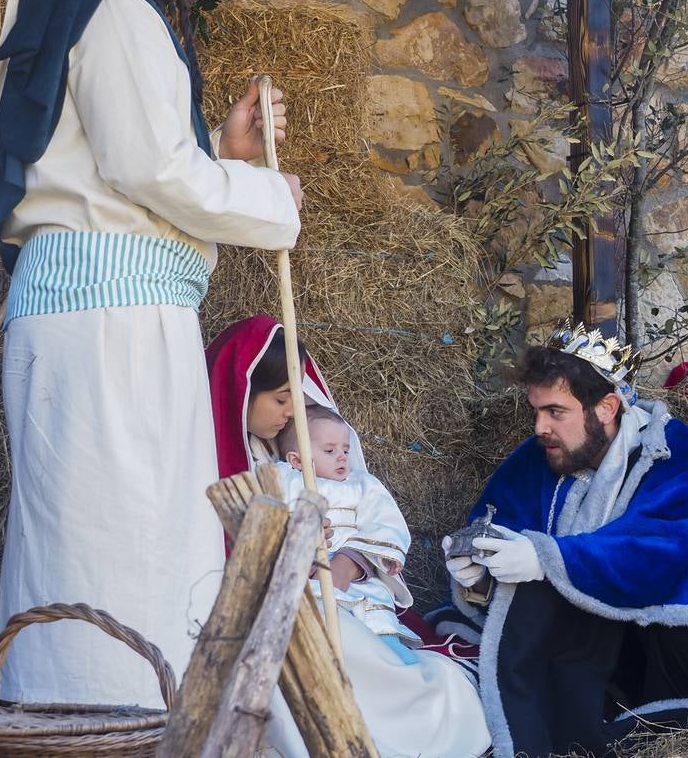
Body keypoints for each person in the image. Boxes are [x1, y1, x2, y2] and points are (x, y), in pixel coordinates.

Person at [0, 0, 305, 706]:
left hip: (74, 312)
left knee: (73, 543)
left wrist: (220, 147)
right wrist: (269, 194)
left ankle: (60, 718)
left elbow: (98, 166)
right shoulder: (120, 11)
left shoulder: (55, 0)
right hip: (114, 322)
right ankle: (114, 721)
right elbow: (148, 170)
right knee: (122, 547)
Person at [432, 321, 688, 758]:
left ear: (608, 407)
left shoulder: (673, 455)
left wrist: (548, 558)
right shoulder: (538, 456)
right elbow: (496, 521)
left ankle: (670, 726)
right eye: (536, 411)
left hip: (664, 625)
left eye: (556, 411)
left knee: (681, 618)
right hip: (584, 634)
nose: (539, 427)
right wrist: (478, 578)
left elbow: (660, 554)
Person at [206, 315, 490, 758]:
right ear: (243, 392)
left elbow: (381, 520)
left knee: (374, 653)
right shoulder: (243, 463)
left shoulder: (350, 479)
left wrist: (352, 558)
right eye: (282, 400)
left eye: (295, 402)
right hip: (289, 601)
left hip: (349, 589)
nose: (289, 415)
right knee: (322, 639)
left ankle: (411, 732)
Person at [274, 405, 423, 665]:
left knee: (379, 634)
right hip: (306, 577)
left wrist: (355, 560)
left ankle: (399, 669)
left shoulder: (363, 485)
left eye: (345, 449)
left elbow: (385, 524)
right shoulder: (284, 479)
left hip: (358, 580)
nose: (342, 457)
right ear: (296, 460)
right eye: (330, 451)